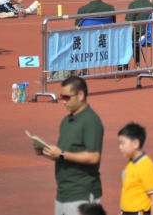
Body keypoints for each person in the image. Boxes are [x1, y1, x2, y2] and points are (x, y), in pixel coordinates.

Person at [35, 76, 104, 215]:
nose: (63, 101)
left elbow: (93, 157)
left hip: (82, 192)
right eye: (62, 97)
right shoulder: (66, 121)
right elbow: (65, 153)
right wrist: (47, 151)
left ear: (80, 95)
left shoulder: (91, 121)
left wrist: (61, 154)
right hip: (63, 192)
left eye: (67, 97)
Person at [118, 123, 153, 215]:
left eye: (122, 143)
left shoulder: (147, 167)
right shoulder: (130, 164)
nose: (120, 147)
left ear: (136, 143)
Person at [125, 0, 153, 66]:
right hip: (152, 36)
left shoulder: (133, 4)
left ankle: (132, 64)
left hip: (138, 36)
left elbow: (130, 23)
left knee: (126, 39)